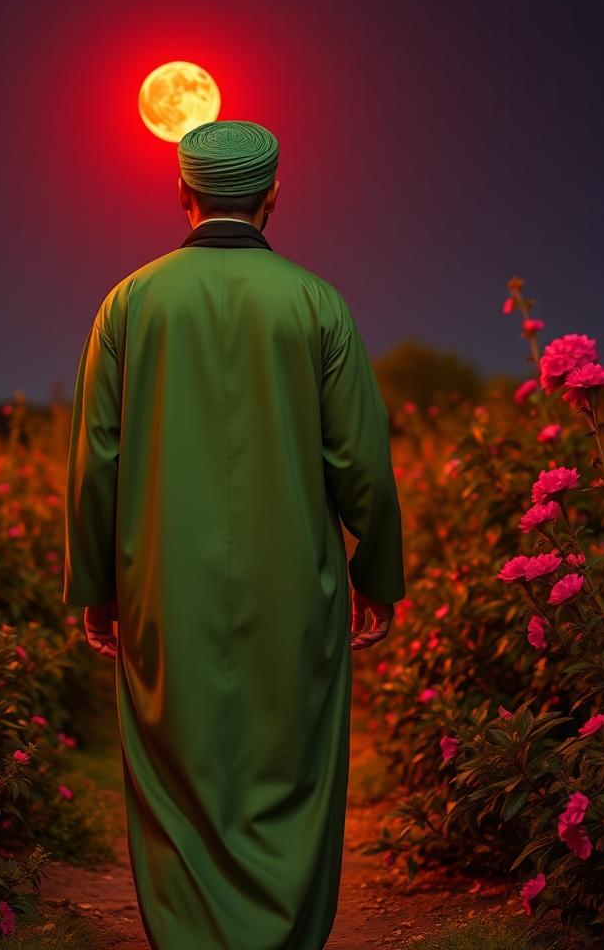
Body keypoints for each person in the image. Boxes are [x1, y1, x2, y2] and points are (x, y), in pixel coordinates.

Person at [63, 119, 405, 950]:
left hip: (160, 586)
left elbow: (96, 462)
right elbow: (361, 460)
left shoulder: (128, 303)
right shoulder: (317, 302)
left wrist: (96, 587)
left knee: (174, 773)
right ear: (273, 194)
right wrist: (379, 576)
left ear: (182, 193)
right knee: (290, 766)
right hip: (298, 584)